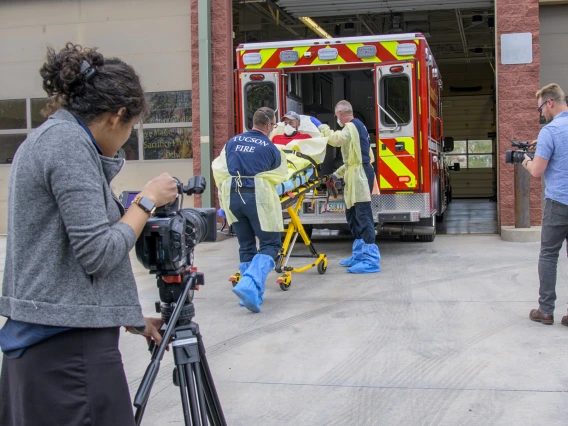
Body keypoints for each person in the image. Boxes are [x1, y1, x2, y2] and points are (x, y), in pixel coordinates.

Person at [0, 43, 179, 426]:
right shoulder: (67, 146)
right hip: (65, 356)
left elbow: (61, 255)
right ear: (117, 116)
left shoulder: (54, 138)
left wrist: (131, 318)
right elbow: (97, 251)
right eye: (132, 128)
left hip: (54, 344)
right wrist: (145, 202)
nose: (128, 140)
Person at [212, 107, 287, 313]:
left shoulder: (232, 142)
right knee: (271, 244)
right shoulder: (271, 148)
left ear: (252, 122)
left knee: (246, 245)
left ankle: (252, 294)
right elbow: (281, 175)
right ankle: (249, 283)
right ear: (270, 125)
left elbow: (219, 167)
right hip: (257, 198)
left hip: (232, 197)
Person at [310, 101, 380, 274]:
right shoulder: (357, 128)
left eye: (336, 115)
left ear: (341, 113)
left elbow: (335, 140)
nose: (336, 118)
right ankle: (358, 254)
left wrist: (321, 126)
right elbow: (351, 162)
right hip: (355, 174)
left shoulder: (352, 127)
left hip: (361, 176)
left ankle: (371, 260)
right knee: (352, 215)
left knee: (363, 215)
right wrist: (335, 175)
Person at [523, 83, 568, 326]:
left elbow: (537, 172)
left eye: (541, 108)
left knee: (549, 255)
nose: (541, 113)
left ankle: (546, 310)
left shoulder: (550, 131)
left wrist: (527, 161)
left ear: (550, 102)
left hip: (559, 202)